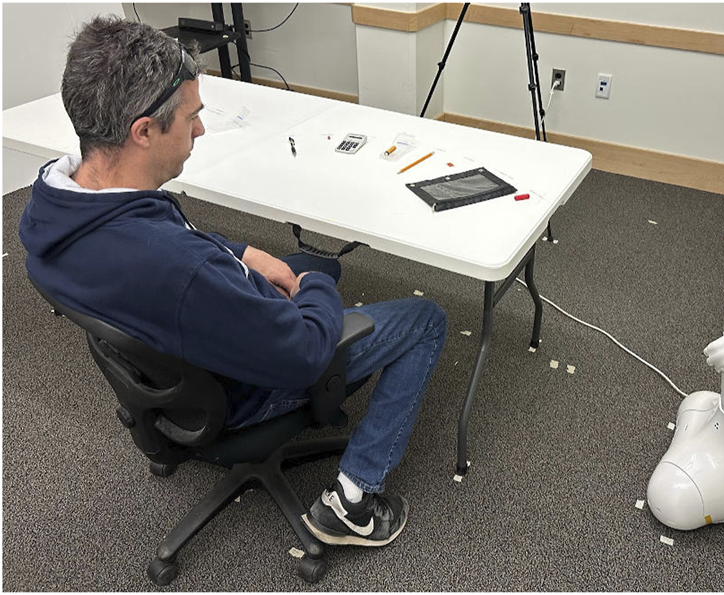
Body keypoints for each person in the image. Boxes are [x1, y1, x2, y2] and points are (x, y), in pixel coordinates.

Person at [18, 16, 447, 548]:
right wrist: (310, 283)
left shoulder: (52, 207)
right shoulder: (180, 269)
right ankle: (353, 502)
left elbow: (171, 236)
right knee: (420, 317)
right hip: (240, 388)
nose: (200, 129)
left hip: (174, 362)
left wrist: (246, 252)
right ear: (144, 131)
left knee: (323, 266)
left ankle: (309, 291)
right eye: (192, 117)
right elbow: (304, 352)